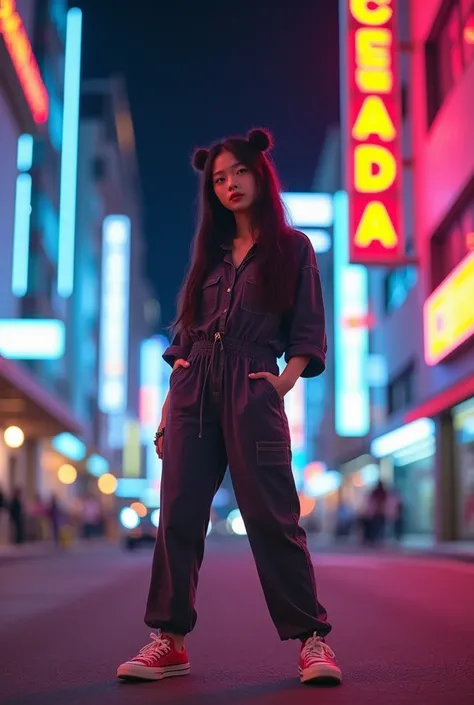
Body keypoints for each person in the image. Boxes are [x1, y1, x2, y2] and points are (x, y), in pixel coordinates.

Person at [117, 128, 342, 686]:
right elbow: (185, 342)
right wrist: (168, 414)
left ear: (258, 173)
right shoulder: (208, 258)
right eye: (218, 178)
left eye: (238, 171)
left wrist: (282, 383)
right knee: (179, 516)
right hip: (193, 392)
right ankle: (168, 641)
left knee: (273, 516)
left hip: (253, 383)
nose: (229, 184)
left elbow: (309, 329)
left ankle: (312, 641)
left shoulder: (293, 248)